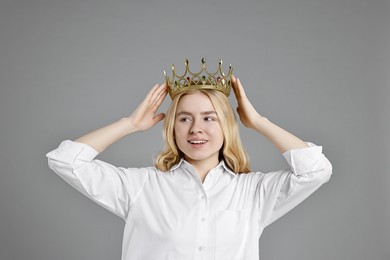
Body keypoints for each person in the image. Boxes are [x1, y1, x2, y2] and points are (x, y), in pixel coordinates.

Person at [46, 61, 332, 260]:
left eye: (209, 118)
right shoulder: (142, 186)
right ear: (172, 126)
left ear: (226, 126)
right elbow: (65, 161)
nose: (196, 128)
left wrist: (258, 121)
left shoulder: (252, 192)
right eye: (185, 118)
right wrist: (130, 123)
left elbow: (315, 170)